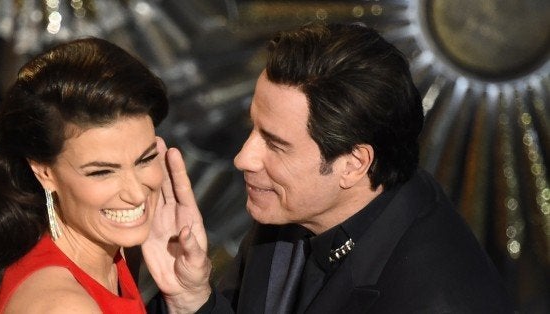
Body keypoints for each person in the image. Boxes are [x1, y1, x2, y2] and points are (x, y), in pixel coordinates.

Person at [153, 22, 514, 313]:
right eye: (254, 129)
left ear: (354, 164)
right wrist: (191, 301)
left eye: (276, 144)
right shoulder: (291, 208)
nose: (244, 158)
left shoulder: (434, 298)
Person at [0, 37, 210, 314]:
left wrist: (187, 298)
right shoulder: (66, 307)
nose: (136, 193)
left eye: (145, 159)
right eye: (102, 172)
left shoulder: (113, 251)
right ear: (44, 172)